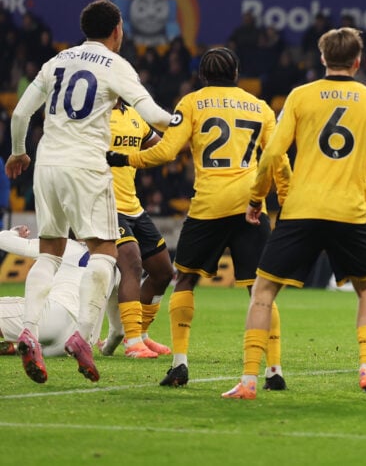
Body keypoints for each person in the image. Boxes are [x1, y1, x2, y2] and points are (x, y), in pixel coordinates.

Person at [221, 27, 366, 401]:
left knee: (263, 291)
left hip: (301, 210)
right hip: (350, 211)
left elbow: (274, 154)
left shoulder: (300, 96)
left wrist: (257, 198)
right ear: (358, 61)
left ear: (322, 58)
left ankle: (247, 381)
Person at [5, 0, 173, 384]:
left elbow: (19, 114)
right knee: (104, 252)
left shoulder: (57, 61)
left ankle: (28, 329)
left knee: (50, 253)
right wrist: (186, 120)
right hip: (87, 166)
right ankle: (82, 335)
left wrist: (19, 152)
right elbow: (156, 116)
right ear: (117, 30)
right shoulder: (116, 65)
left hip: (46, 164)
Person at [108, 47, 290, 388]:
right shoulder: (261, 107)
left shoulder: (191, 102)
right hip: (250, 205)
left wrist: (123, 159)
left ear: (202, 75)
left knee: (186, 280)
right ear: (236, 72)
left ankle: (180, 364)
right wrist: (286, 199)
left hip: (208, 205)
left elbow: (164, 151)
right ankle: (274, 370)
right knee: (260, 289)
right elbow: (277, 159)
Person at [98, 99, 175, 360]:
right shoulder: (95, 114)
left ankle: (141, 334)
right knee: (131, 263)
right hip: (104, 204)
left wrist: (182, 136)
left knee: (163, 272)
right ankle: (131, 342)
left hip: (133, 206)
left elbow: (162, 147)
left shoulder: (135, 116)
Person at [0, 226, 114, 358]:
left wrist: (14, 232)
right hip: (76, 340)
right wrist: (107, 348)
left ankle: (20, 344)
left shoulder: (64, 246)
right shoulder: (111, 266)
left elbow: (3, 240)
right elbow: (118, 331)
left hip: (54, 314)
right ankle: (16, 348)